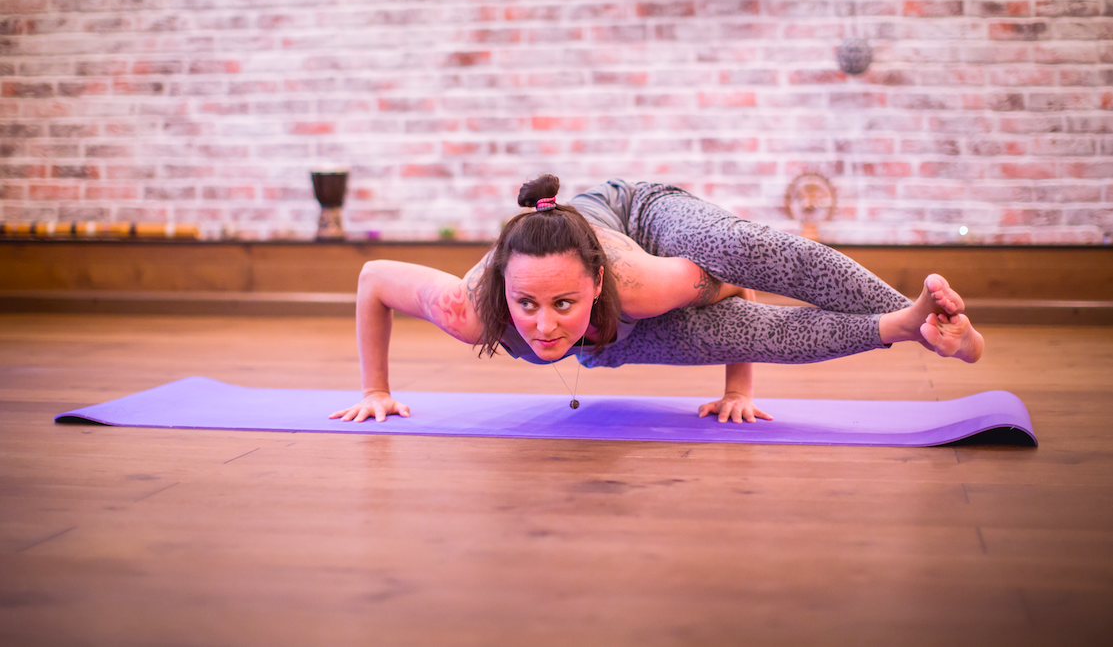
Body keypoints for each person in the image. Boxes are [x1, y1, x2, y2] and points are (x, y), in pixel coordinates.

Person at [331, 175, 984, 425]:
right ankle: (905, 325)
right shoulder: (469, 308)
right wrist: (374, 388)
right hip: (612, 329)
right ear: (502, 291)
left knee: (745, 254)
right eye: (526, 304)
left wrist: (738, 389)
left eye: (563, 304)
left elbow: (735, 282)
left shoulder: (642, 285)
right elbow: (373, 280)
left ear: (594, 288)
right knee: (707, 333)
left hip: (645, 218)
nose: (541, 326)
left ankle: (918, 317)